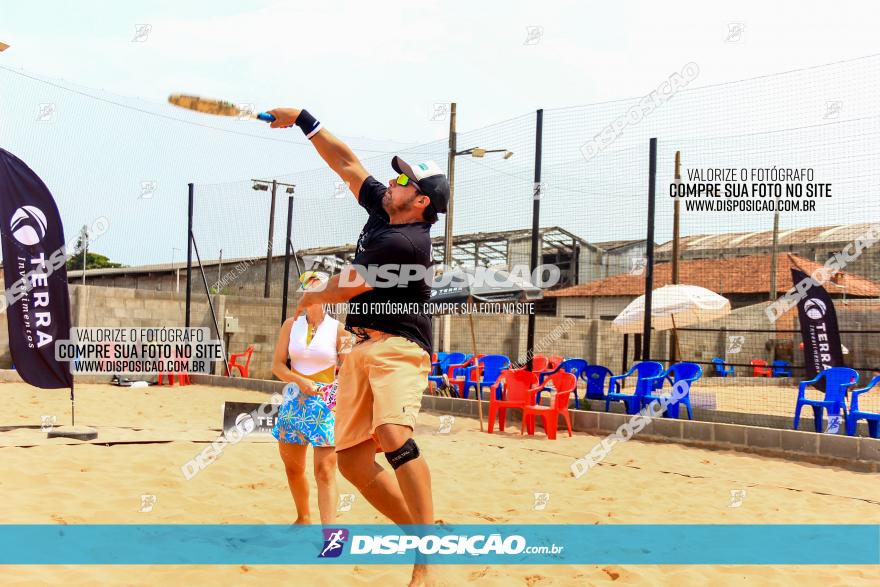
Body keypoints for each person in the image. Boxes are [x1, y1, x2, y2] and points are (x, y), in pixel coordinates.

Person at [267, 107, 449, 587]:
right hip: (360, 349)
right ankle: (421, 533)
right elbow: (346, 164)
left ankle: (426, 563)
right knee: (350, 461)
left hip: (400, 348)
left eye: (406, 181)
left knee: (392, 434)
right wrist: (305, 121)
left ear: (423, 202)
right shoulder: (383, 211)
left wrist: (309, 294)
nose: (394, 181)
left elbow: (343, 288)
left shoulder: (406, 242)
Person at [271, 271, 352, 525]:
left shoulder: (339, 330)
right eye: (307, 290)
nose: (311, 295)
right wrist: (300, 381)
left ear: (326, 295)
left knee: (325, 471)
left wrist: (336, 398)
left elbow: (349, 371)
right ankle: (303, 518)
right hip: (294, 400)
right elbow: (277, 366)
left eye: (317, 290)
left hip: (324, 404)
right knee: (293, 468)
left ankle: (331, 534)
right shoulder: (290, 325)